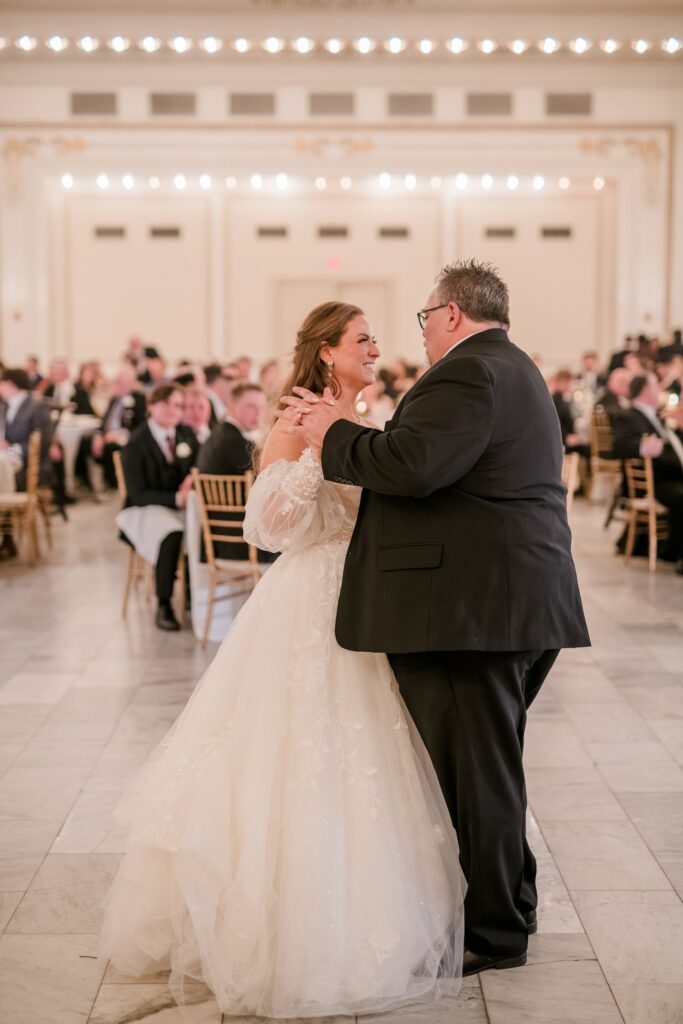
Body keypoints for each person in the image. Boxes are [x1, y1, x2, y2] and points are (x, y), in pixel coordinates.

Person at [101, 302, 465, 1017]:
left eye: (375, 339)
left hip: (369, 601)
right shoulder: (296, 420)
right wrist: (315, 451)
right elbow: (265, 528)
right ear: (326, 352)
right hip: (308, 601)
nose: (375, 347)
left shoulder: (374, 418)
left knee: (365, 761)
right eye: (362, 339)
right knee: (292, 754)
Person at [278, 260, 590, 976]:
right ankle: (513, 902)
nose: (418, 334)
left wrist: (333, 432)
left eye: (424, 319)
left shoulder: (466, 371)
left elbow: (412, 464)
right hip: (507, 600)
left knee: (477, 775)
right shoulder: (514, 367)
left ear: (450, 314)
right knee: (490, 766)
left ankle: (495, 931)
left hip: (467, 608)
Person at [117, 383, 199, 630]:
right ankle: (164, 604)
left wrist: (192, 477)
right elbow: (137, 494)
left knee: (200, 528)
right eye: (166, 403)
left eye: (178, 405)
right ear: (152, 406)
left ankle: (193, 591)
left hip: (180, 506)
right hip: (143, 509)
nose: (173, 410)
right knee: (171, 534)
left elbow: (198, 464)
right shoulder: (136, 443)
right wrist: (175, 499)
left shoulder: (186, 434)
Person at [611, 373, 683, 574]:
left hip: (671, 476)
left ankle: (670, 548)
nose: (659, 389)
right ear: (645, 390)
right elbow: (617, 447)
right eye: (655, 385)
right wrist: (642, 448)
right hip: (653, 483)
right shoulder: (628, 415)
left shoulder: (657, 416)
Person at [0, 368, 54, 557]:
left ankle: (6, 539)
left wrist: (10, 448)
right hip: (9, 465)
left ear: (10, 384)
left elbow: (43, 444)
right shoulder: (5, 408)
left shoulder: (37, 406)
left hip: (31, 469)